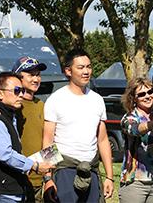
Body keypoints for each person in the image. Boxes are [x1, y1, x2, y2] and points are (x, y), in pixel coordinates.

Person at [0, 56, 47, 203]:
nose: (36, 79)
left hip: (33, 180)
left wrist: (48, 174)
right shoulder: (1, 110)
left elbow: (48, 140)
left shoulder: (41, 105)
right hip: (8, 185)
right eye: (31, 74)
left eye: (38, 75)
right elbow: (2, 151)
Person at [43, 49, 114, 202]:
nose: (86, 71)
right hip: (65, 170)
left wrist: (109, 176)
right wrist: (48, 178)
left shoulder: (97, 100)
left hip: (91, 170)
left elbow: (102, 140)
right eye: (80, 67)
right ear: (68, 71)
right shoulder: (55, 100)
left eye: (89, 67)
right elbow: (48, 141)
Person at [119, 77, 153, 203]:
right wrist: (152, 124)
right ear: (133, 98)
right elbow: (135, 130)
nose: (147, 96)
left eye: (150, 92)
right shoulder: (129, 118)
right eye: (141, 94)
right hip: (135, 182)